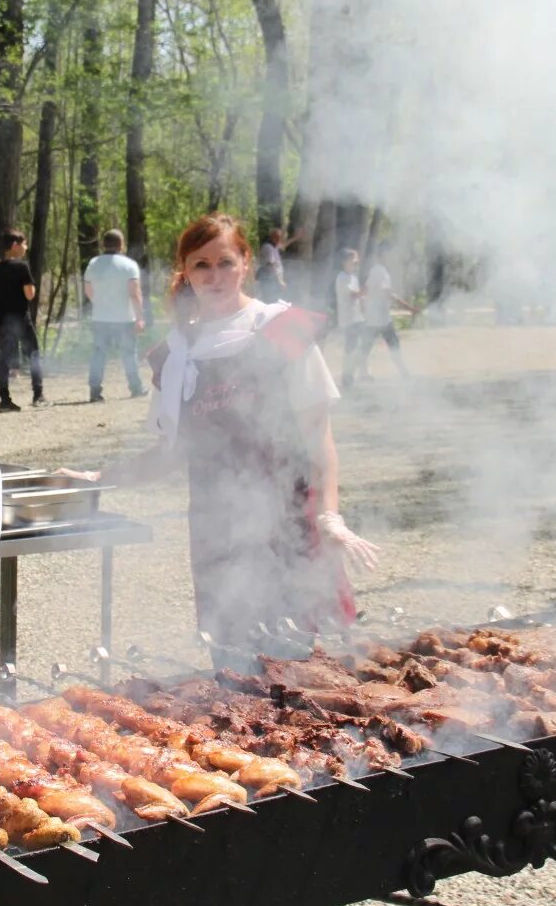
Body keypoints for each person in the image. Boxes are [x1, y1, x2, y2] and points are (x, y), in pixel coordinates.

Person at [59, 214, 378, 668]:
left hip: (290, 525)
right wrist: (99, 476)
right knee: (233, 667)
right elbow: (171, 453)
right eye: (201, 265)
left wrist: (330, 515)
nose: (215, 276)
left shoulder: (282, 330)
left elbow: (318, 438)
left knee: (305, 672)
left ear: (246, 262)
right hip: (217, 534)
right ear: (185, 272)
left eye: (225, 262)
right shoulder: (173, 356)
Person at [83, 228, 145, 402]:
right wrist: (139, 317)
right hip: (125, 318)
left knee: (98, 354)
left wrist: (100, 303)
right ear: (121, 244)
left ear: (104, 244)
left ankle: (95, 392)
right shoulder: (129, 265)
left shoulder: (93, 264)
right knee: (128, 354)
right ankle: (136, 387)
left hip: (100, 318)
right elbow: (134, 293)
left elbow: (88, 290)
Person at [0, 229, 43, 412]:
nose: (26, 247)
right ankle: (38, 394)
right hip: (20, 318)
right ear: (15, 245)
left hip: (2, 320)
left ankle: (4, 398)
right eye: (24, 243)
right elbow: (29, 294)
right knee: (33, 353)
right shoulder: (21, 267)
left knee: (5, 358)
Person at [358, 245, 412, 380]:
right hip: (377, 317)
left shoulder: (380, 271)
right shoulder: (379, 271)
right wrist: (406, 305)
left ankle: (402, 371)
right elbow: (386, 292)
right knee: (388, 344)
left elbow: (369, 289)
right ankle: (403, 372)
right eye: (389, 254)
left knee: (369, 345)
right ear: (382, 255)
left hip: (379, 316)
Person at [333, 248, 367, 390]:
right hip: (348, 319)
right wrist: (369, 288)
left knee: (357, 348)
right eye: (354, 261)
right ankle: (347, 378)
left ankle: (353, 375)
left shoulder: (353, 277)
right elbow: (353, 295)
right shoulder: (341, 278)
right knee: (350, 349)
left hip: (357, 317)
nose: (356, 264)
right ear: (345, 262)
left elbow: (358, 297)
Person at [255, 227, 291, 303]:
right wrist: (280, 281)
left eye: (280, 237)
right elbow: (270, 265)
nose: (280, 239)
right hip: (269, 279)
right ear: (273, 237)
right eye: (278, 237)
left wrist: (296, 237)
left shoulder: (274, 246)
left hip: (272, 279)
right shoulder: (268, 247)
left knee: (273, 299)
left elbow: (284, 245)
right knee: (270, 300)